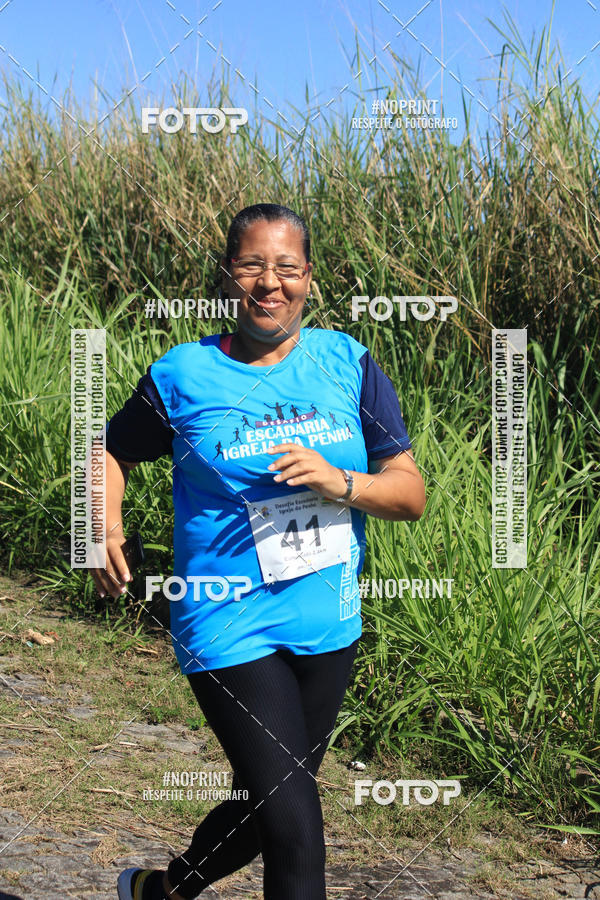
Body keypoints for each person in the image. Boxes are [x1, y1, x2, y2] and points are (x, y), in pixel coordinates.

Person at [92, 203, 426, 900]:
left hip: (328, 624)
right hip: (226, 622)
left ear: (308, 278)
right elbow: (110, 451)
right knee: (299, 832)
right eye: (251, 265)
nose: (268, 283)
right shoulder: (184, 374)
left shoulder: (348, 363)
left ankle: (163, 889)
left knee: (268, 806)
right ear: (226, 277)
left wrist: (342, 480)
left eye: (286, 267)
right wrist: (102, 528)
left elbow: (408, 492)